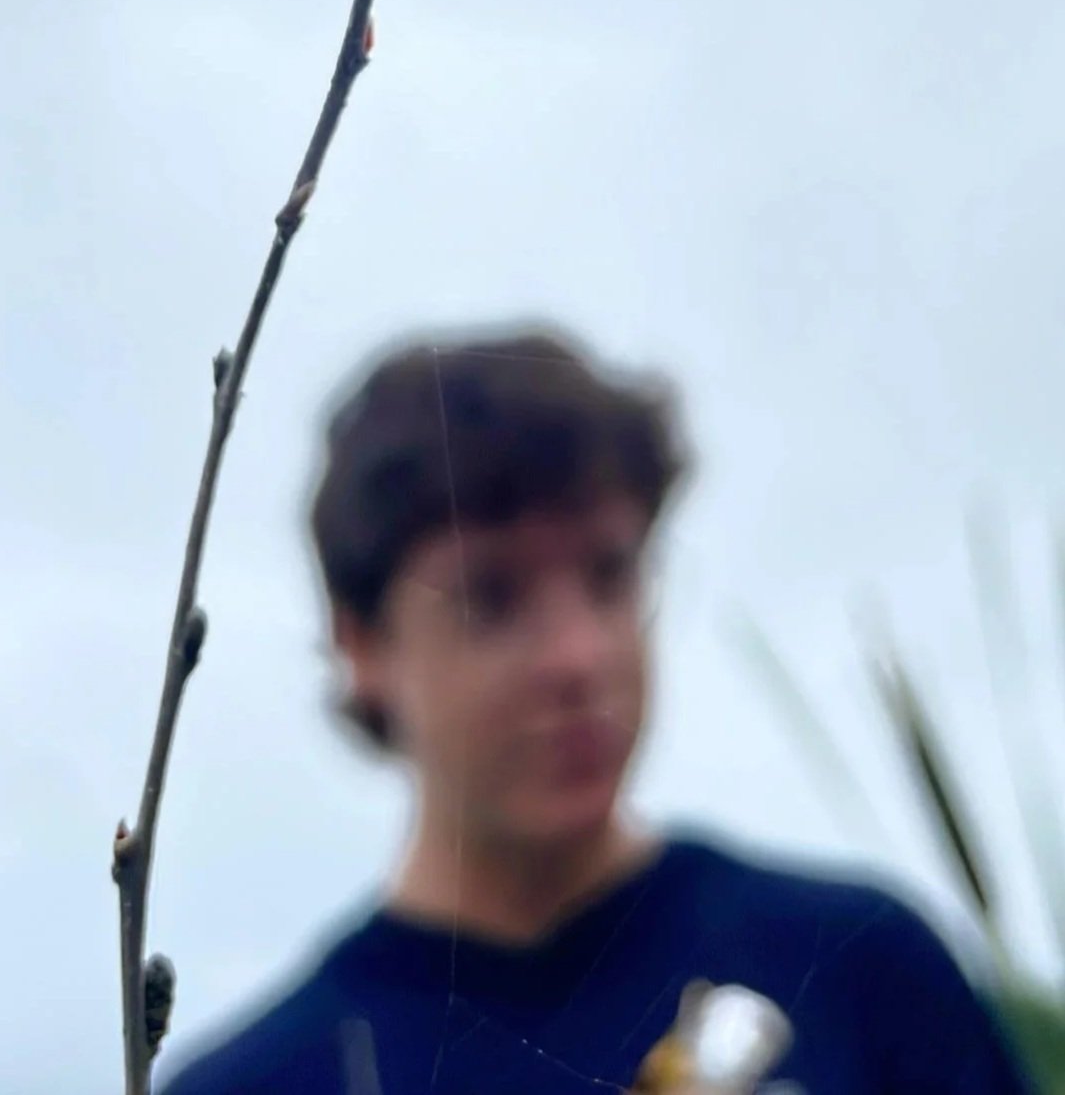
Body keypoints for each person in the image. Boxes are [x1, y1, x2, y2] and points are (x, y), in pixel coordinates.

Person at [158, 326, 1031, 1094]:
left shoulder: (861, 971)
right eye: (490, 597)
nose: (577, 657)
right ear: (362, 645)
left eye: (610, 573)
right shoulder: (256, 1083)